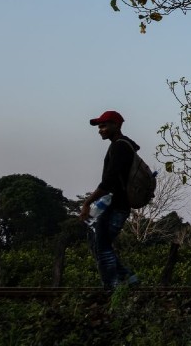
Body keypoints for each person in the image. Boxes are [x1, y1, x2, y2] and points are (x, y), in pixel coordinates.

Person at [80, 110, 140, 288]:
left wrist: (87, 203)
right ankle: (128, 279)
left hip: (116, 205)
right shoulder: (122, 145)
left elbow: (109, 181)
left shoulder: (119, 147)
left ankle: (111, 288)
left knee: (101, 246)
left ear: (117, 125)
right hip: (115, 204)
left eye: (104, 125)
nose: (100, 129)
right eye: (99, 126)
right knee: (98, 243)